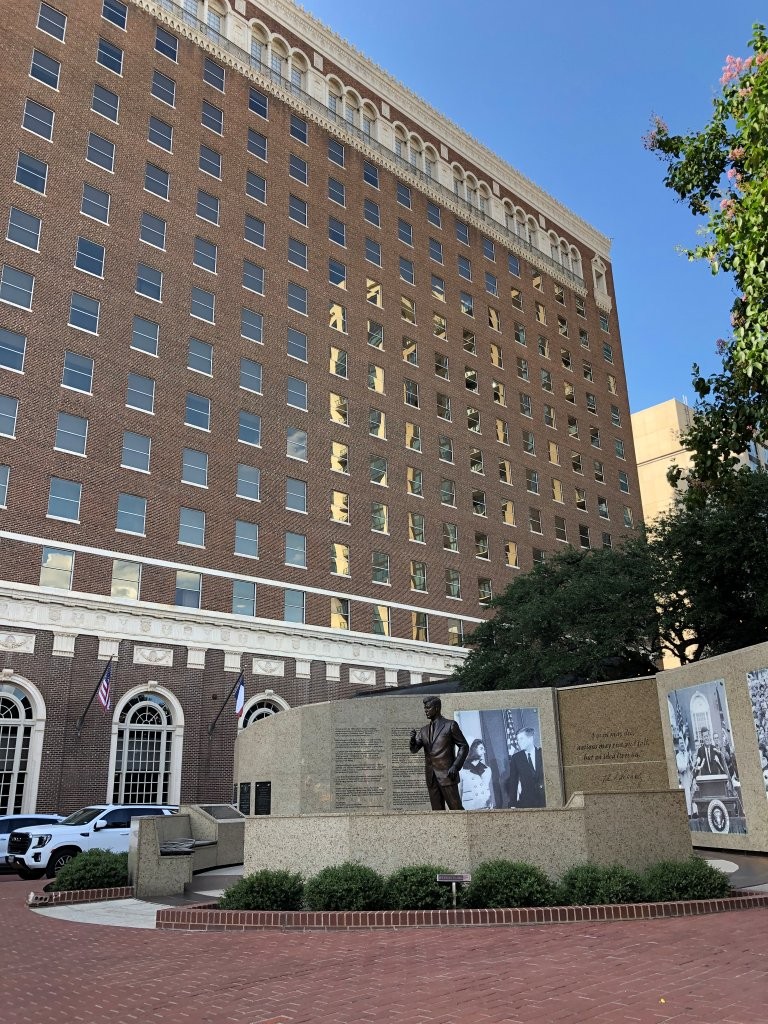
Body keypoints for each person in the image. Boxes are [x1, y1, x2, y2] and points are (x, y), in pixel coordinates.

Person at [409, 696, 469, 810]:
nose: (425, 711)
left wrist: (455, 766)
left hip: (447, 774)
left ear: (436, 708)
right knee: (437, 812)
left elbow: (464, 746)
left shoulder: (450, 725)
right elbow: (414, 749)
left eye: (428, 708)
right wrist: (412, 740)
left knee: (456, 808)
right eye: (424, 708)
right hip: (431, 776)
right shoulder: (423, 730)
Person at [505, 727, 545, 808]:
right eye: (518, 740)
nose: (518, 742)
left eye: (521, 739)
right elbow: (513, 782)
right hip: (527, 802)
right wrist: (512, 803)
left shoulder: (543, 753)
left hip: (545, 800)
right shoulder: (516, 758)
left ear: (530, 738)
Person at [460, 739, 495, 810]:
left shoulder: (487, 770)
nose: (484, 752)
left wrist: (491, 803)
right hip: (470, 807)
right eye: (481, 748)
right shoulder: (462, 769)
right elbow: (459, 790)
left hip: (485, 806)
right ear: (474, 749)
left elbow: (489, 789)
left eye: (484, 749)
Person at [674, 735, 694, 816]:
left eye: (683, 743)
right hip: (684, 780)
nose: (682, 744)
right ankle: (689, 814)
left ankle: (694, 813)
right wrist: (686, 759)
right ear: (678, 745)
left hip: (690, 777)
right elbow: (681, 768)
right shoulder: (678, 756)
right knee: (687, 796)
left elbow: (691, 766)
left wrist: (691, 761)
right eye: (681, 743)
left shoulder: (687, 754)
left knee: (693, 796)